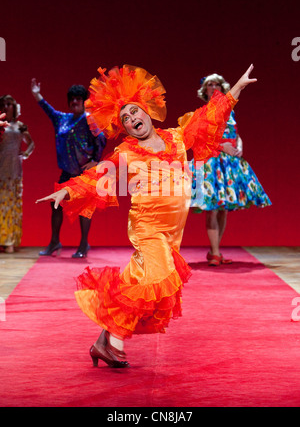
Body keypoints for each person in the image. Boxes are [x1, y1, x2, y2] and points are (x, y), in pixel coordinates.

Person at [36, 64, 257, 368]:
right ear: (123, 128)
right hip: (147, 227)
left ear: (147, 111)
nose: (131, 120)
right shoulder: (127, 154)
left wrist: (237, 89)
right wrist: (68, 190)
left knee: (137, 284)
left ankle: (102, 343)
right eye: (125, 119)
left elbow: (209, 116)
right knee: (155, 278)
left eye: (134, 112)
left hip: (172, 233)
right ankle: (114, 343)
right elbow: (100, 174)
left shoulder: (179, 138)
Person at [188, 73, 271, 266]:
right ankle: (215, 253)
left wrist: (240, 146)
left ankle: (214, 250)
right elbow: (199, 140)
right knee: (211, 208)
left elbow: (236, 134)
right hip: (211, 163)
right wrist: (221, 146)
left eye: (217, 84)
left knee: (223, 209)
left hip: (230, 163)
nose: (214, 87)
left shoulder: (230, 112)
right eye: (210, 84)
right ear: (204, 90)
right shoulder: (203, 112)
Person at [31, 79, 107, 258]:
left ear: (83, 101)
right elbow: (48, 109)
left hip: (83, 173)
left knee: (84, 208)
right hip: (67, 171)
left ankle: (83, 245)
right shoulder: (62, 119)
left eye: (78, 99)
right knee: (55, 204)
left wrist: (96, 160)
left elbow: (101, 139)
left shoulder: (89, 119)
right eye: (72, 99)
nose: (74, 102)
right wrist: (36, 94)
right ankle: (55, 242)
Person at [0, 96, 35, 253]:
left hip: (14, 169)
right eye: (4, 105)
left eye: (9, 104)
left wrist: (25, 154)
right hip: (1, 166)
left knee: (12, 204)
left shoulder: (20, 126)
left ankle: (10, 241)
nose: (7, 107)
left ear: (14, 107)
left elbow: (31, 143)